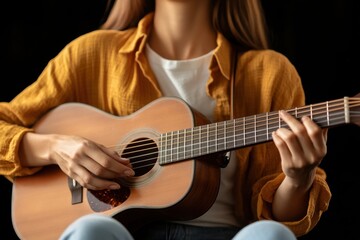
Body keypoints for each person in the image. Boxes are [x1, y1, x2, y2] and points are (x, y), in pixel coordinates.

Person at [0, 0, 331, 239]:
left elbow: (285, 218)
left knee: (270, 236)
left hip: (229, 235)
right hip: (118, 234)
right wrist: (57, 147)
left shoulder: (270, 73)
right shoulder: (90, 55)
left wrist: (299, 179)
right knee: (90, 228)